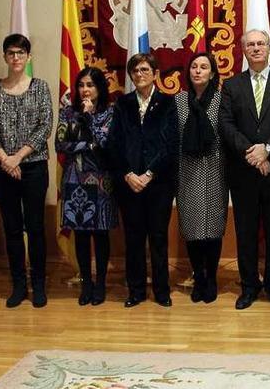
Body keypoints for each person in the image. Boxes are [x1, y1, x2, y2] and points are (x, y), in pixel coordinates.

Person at [219, 29, 270, 310]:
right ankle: (249, 287)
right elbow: (227, 125)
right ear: (243, 50)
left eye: (260, 44)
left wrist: (266, 149)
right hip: (244, 174)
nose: (256, 49)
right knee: (246, 234)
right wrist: (253, 154)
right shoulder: (231, 86)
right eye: (250, 44)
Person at [0, 34, 53, 308]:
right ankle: (19, 285)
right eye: (11, 53)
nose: (16, 58)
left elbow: (45, 126)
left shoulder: (40, 87)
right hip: (1, 169)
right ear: (5, 57)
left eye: (21, 53)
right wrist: (5, 160)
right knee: (11, 228)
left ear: (28, 57)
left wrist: (18, 157)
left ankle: (39, 285)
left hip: (33, 168)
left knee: (35, 227)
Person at [108, 53, 178, 308]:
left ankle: (161, 291)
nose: (139, 74)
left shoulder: (169, 103)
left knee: (158, 237)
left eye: (145, 69)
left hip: (158, 183)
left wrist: (149, 174)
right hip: (128, 184)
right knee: (134, 238)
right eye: (135, 70)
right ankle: (136, 290)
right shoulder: (122, 104)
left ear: (155, 73)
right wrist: (128, 174)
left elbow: (171, 144)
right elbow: (114, 143)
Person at [55, 67, 117, 306]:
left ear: (100, 88)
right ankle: (86, 284)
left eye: (90, 85)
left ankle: (100, 282)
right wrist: (87, 146)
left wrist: (90, 120)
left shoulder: (110, 113)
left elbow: (106, 143)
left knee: (100, 234)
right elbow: (61, 145)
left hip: (102, 180)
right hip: (75, 178)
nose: (85, 90)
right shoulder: (68, 113)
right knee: (80, 235)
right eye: (81, 85)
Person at [175, 52, 228, 304]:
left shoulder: (221, 100)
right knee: (193, 228)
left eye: (204, 67)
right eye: (194, 66)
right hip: (187, 171)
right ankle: (199, 276)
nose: (197, 71)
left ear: (213, 73)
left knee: (214, 228)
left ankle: (212, 277)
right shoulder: (179, 102)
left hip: (216, 169)